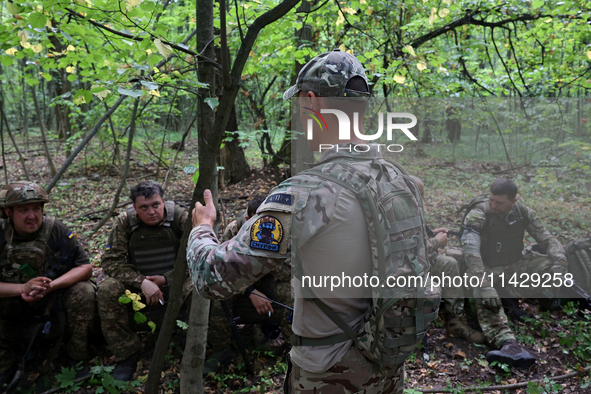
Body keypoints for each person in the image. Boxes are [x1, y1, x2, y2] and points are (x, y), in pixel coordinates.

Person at [187, 50, 438, 393]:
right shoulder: (402, 180)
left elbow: (214, 278)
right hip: (387, 366)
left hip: (329, 373)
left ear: (311, 103)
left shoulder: (305, 193)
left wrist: (202, 228)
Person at [461, 178, 568, 368]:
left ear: (513, 201)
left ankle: (545, 301)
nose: (493, 205)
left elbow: (547, 239)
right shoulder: (478, 213)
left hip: (511, 269)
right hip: (484, 269)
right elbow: (470, 250)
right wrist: (482, 279)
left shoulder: (522, 212)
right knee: (478, 282)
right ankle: (507, 343)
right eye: (491, 200)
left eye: (499, 202)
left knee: (547, 264)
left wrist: (560, 265)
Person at [0, 182, 96, 385]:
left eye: (37, 209)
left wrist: (51, 286)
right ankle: (5, 362)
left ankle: (75, 356)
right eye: (23, 210)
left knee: (84, 291)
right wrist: (22, 289)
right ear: (8, 212)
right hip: (10, 302)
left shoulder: (55, 229)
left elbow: (85, 267)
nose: (32, 216)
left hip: (52, 300)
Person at [97, 181, 192, 381]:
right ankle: (127, 353)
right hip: (139, 286)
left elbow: (198, 257)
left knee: (200, 286)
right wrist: (141, 282)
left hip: (178, 282)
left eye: (156, 205)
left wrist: (167, 279)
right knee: (107, 289)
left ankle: (189, 340)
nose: (151, 212)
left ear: (163, 201)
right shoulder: (125, 222)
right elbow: (110, 260)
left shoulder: (181, 218)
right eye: (144, 208)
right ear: (134, 208)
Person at [206, 196, 292, 371]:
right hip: (241, 282)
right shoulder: (234, 230)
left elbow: (288, 273)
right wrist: (250, 291)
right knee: (218, 296)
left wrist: (267, 253)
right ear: (247, 219)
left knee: (295, 293)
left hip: (270, 280)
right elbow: (222, 269)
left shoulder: (282, 230)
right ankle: (221, 351)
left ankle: (294, 346)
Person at [410, 176, 485, 344]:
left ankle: (458, 310)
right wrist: (436, 242)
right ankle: (455, 322)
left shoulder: (411, 209)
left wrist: (432, 233)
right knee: (448, 263)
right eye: (419, 194)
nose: (422, 199)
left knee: (457, 257)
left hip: (420, 264)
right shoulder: (400, 213)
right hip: (408, 268)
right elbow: (407, 250)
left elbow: (415, 238)